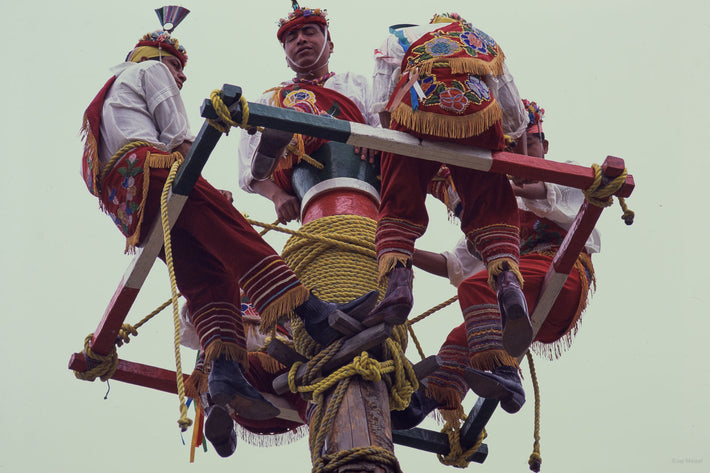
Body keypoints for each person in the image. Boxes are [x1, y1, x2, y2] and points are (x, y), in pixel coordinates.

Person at [79, 23, 371, 438]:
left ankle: (226, 373)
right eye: (178, 67)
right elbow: (180, 139)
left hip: (129, 208)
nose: (180, 77)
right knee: (237, 237)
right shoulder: (150, 73)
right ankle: (311, 311)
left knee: (208, 277)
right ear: (157, 58)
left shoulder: (105, 101)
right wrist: (211, 191)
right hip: (156, 172)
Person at [392, 101, 600, 429]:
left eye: (528, 143)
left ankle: (506, 373)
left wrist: (472, 186)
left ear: (544, 147)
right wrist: (400, 248)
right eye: (511, 145)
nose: (520, 152)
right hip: (522, 308)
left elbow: (539, 191)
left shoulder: (568, 175)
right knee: (460, 338)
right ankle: (424, 400)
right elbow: (452, 264)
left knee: (479, 286)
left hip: (560, 278)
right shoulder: (498, 208)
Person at [368, 13, 531, 341]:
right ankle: (509, 287)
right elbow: (514, 115)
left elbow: (381, 104)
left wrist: (400, 148)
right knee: (491, 202)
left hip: (418, 114)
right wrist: (519, 162)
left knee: (400, 198)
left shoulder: (397, 38)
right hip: (477, 116)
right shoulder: (481, 41)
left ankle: (399, 285)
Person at [238, 2, 380, 225]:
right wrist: (278, 197)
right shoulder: (271, 99)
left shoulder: (355, 83)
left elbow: (384, 130)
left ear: (330, 45)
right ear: (286, 58)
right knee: (279, 123)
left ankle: (292, 132)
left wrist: (372, 138)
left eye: (309, 32)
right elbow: (247, 172)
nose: (300, 39)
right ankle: (277, 147)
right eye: (291, 38)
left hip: (360, 174)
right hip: (304, 185)